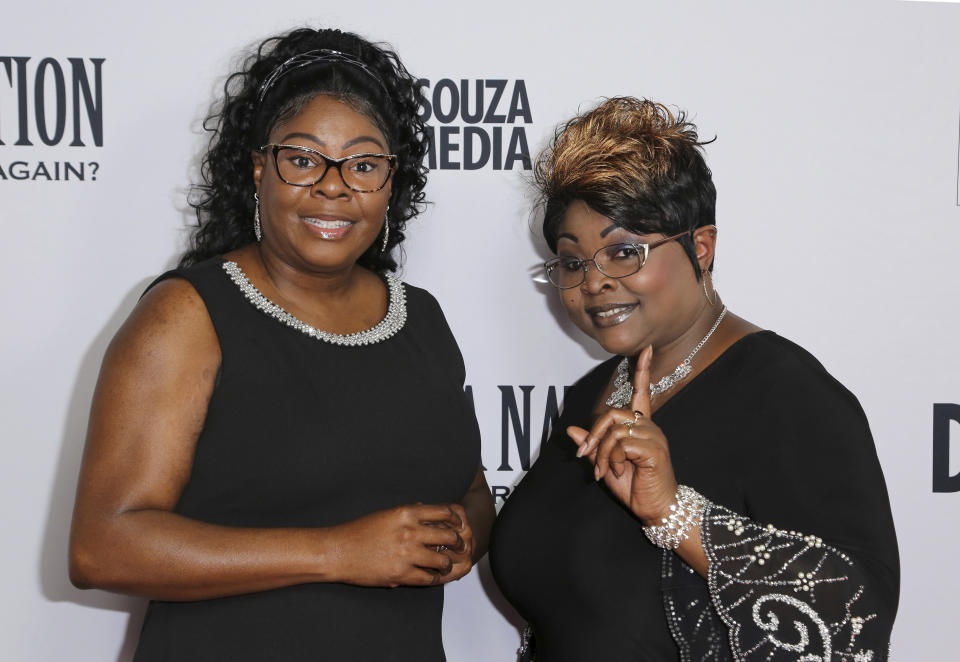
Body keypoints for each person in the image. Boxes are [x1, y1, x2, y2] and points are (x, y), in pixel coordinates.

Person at [68, 27, 494, 662]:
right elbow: (102, 546)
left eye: (364, 163)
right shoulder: (188, 315)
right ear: (259, 166)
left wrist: (467, 532)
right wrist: (339, 552)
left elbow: (470, 486)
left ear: (390, 181)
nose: (333, 186)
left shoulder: (422, 318)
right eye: (303, 159)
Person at [489, 97, 899, 661]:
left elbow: (856, 617)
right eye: (572, 261)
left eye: (625, 252)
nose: (594, 283)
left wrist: (672, 512)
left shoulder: (788, 395)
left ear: (700, 248)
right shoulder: (595, 392)